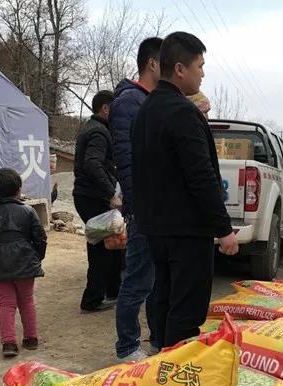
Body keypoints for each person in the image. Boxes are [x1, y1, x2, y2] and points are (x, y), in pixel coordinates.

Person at [131, 31, 239, 349]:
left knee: (164, 300)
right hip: (187, 231)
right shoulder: (183, 113)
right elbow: (201, 177)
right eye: (199, 66)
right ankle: (177, 369)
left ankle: (162, 360)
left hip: (155, 228)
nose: (202, 74)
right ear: (180, 69)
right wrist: (223, 229)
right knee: (186, 311)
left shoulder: (145, 111)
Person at [110, 36, 163, 362]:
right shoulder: (130, 102)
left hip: (159, 205)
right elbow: (126, 159)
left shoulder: (152, 100)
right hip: (144, 207)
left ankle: (158, 339)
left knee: (156, 279)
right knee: (138, 279)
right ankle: (127, 346)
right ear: (153, 64)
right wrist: (136, 203)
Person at [0, 168, 47, 357]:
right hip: (25, 262)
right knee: (27, 301)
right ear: (19, 189)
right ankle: (31, 338)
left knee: (6, 304)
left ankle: (8, 343)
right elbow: (40, 238)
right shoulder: (28, 211)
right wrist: (36, 258)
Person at [73, 90, 122, 313]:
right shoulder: (98, 132)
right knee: (102, 247)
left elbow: (103, 165)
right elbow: (93, 164)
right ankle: (92, 300)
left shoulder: (95, 128)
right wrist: (111, 193)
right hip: (92, 197)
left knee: (112, 244)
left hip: (90, 196)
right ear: (106, 109)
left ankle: (113, 292)